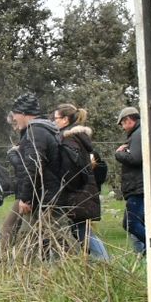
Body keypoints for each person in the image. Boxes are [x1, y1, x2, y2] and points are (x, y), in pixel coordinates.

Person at [6, 91, 67, 251]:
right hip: (44, 195)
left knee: (37, 239)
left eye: (15, 114)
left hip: (42, 197)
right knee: (45, 239)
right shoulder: (42, 130)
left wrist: (25, 198)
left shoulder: (35, 132)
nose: (14, 118)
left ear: (23, 113)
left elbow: (33, 167)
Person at [54, 103, 105, 255]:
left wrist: (67, 187)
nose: (53, 121)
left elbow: (72, 170)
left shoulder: (68, 140)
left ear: (65, 120)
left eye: (56, 118)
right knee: (81, 230)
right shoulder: (77, 139)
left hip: (77, 194)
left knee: (83, 232)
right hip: (84, 192)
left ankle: (105, 261)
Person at [115, 106, 146, 253]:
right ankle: (148, 251)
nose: (122, 127)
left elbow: (135, 158)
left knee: (130, 223)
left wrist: (119, 154)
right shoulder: (138, 133)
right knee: (139, 222)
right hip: (138, 186)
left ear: (128, 120)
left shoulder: (137, 135)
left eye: (122, 123)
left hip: (137, 187)